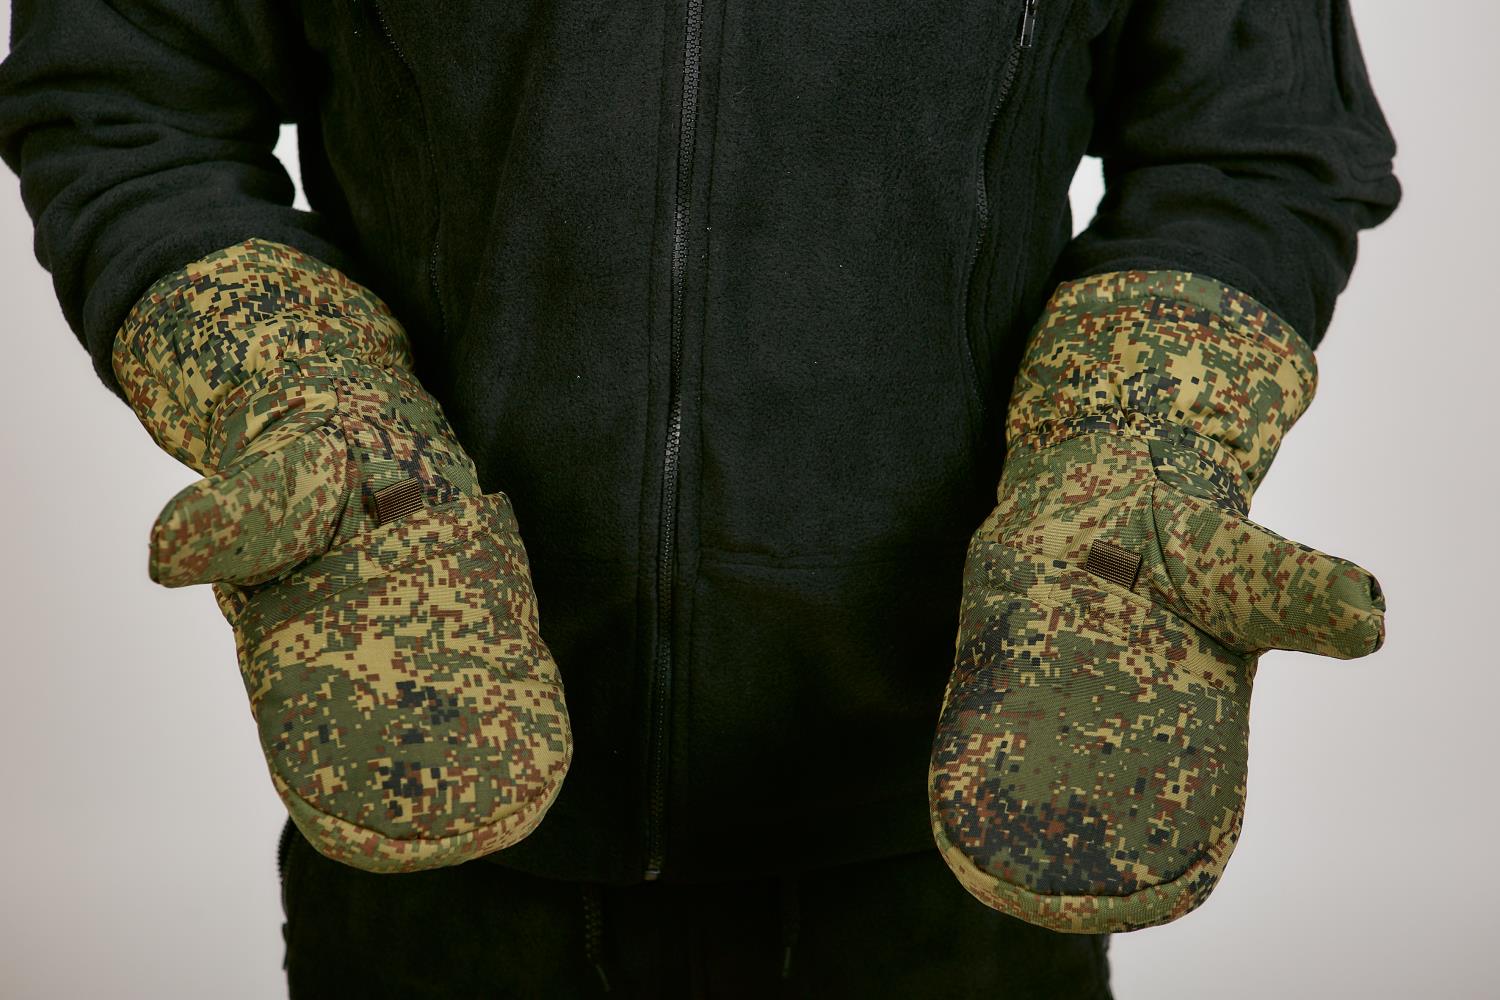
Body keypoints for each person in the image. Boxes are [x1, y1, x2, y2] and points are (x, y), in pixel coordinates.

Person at [0, 0, 1400, 996]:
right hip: (433, 799)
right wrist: (307, 396)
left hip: (953, 821)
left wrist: (1136, 438)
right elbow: (128, 97)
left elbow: (1254, 140)